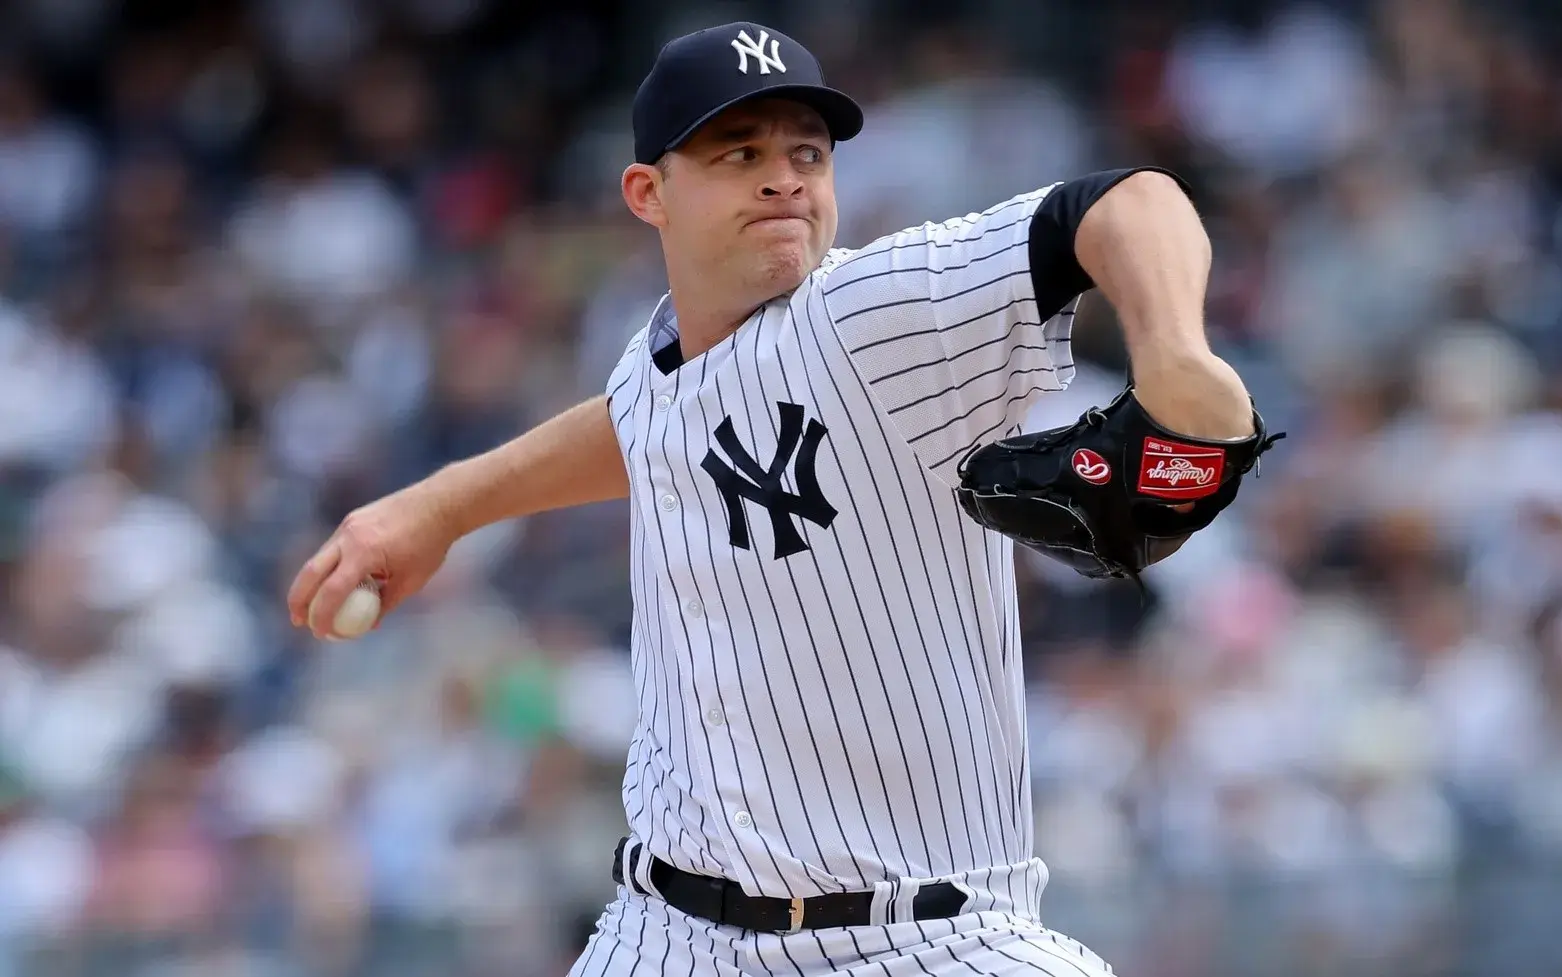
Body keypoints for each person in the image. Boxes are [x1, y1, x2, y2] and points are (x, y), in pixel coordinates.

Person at [287, 21, 1254, 976]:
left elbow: (1130, 202)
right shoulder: (657, 362)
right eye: (737, 152)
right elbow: (635, 427)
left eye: (807, 153)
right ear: (647, 193)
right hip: (666, 934)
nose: (784, 176)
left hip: (926, 938)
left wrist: (1172, 351)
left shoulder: (867, 317)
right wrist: (441, 508)